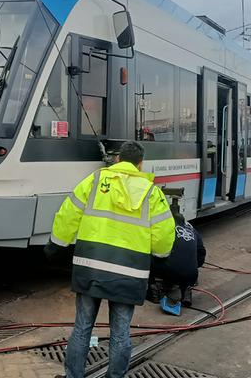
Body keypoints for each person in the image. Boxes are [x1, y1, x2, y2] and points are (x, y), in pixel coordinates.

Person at [45, 141, 175, 378]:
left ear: (117, 160)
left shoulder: (95, 181)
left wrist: (56, 244)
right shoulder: (151, 191)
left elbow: (68, 213)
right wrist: (162, 257)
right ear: (140, 164)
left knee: (82, 328)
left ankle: (73, 375)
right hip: (130, 272)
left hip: (90, 267)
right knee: (120, 333)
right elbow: (164, 232)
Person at [149, 192, 205, 316]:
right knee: (185, 264)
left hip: (168, 271)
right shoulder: (192, 228)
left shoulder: (162, 227)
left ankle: (154, 291)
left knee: (147, 256)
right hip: (192, 274)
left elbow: (155, 249)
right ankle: (186, 290)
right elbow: (201, 254)